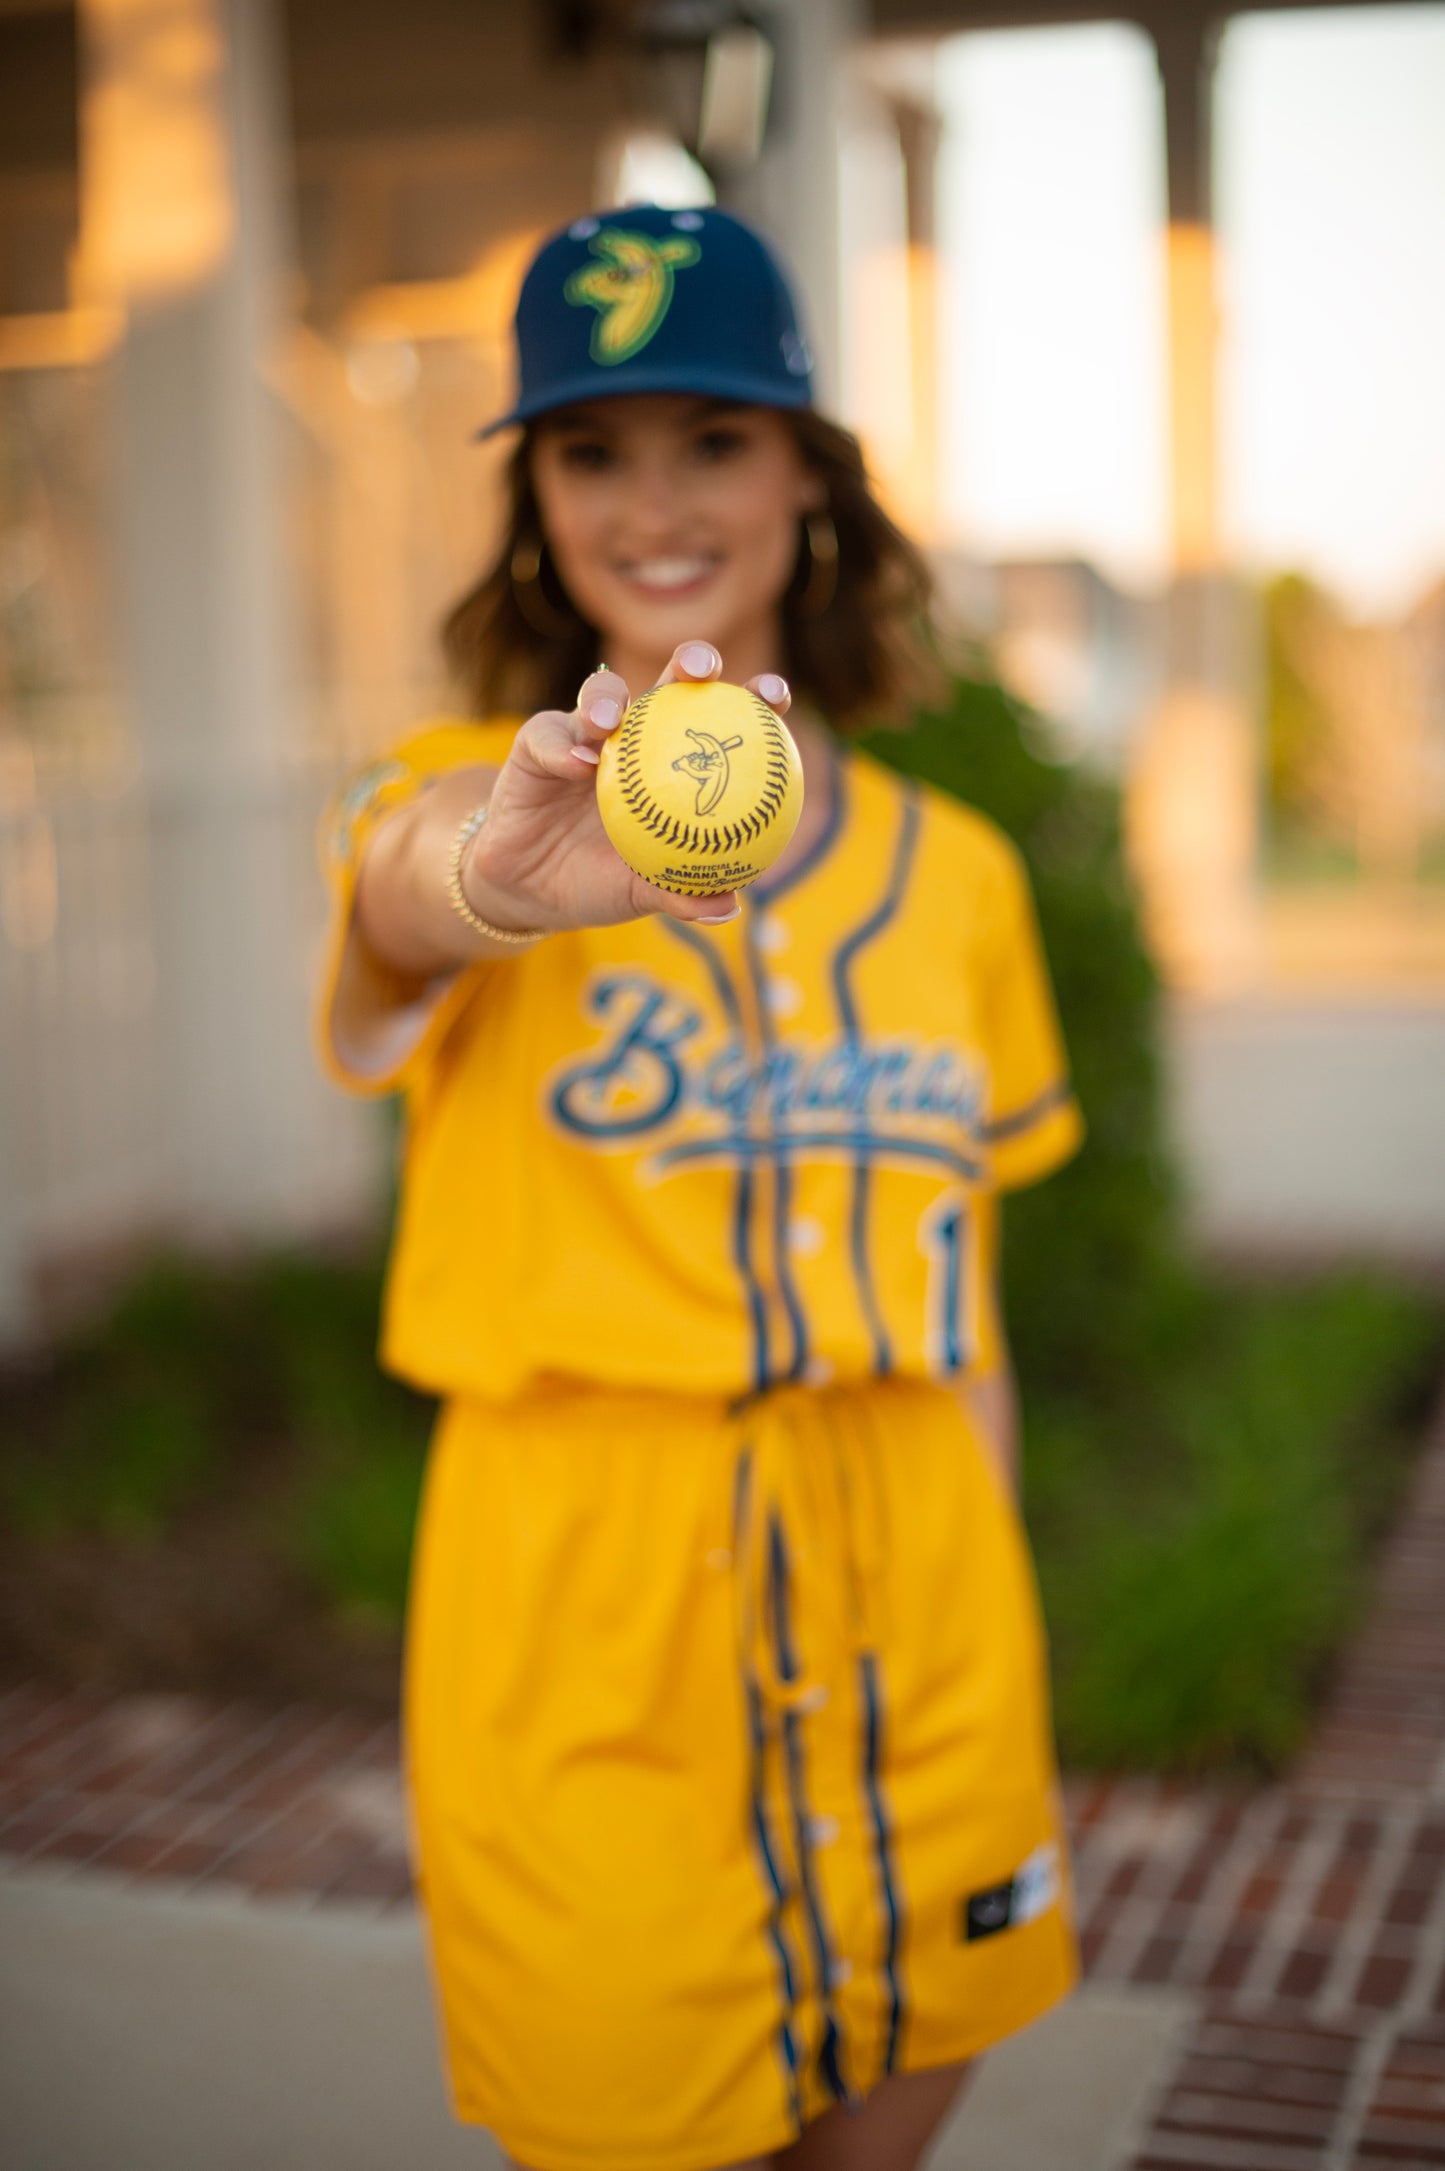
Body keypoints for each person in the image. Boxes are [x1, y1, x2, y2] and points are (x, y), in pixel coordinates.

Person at [316, 202, 1085, 2171]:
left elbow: (966, 1304)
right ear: (535, 500)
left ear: (810, 479)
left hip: (921, 1591)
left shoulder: (964, 878)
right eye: (592, 448)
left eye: (714, 438)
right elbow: (405, 900)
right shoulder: (465, 796)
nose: (654, 502)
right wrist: (501, 881)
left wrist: (989, 1605)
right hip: (587, 1617)